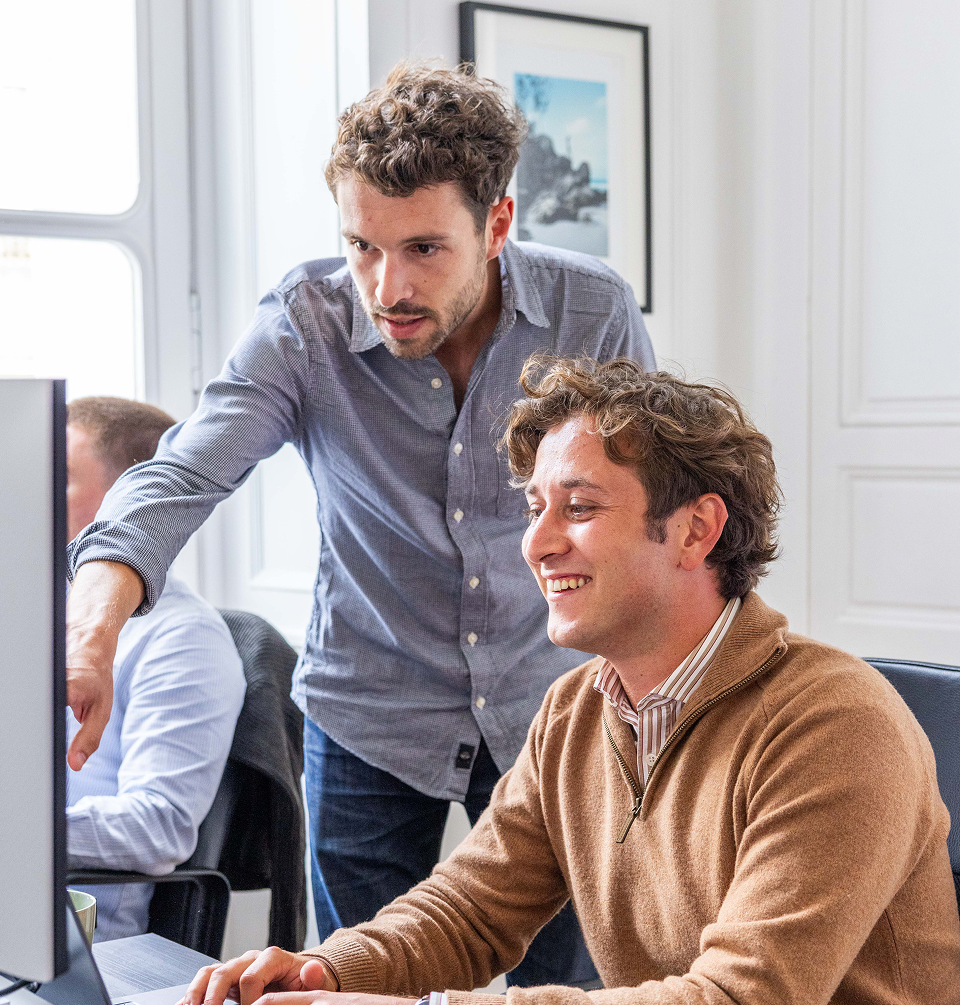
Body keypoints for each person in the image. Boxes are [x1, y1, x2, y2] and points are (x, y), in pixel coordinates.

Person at [64, 63, 654, 983]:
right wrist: (94, 623)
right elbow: (184, 470)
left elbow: (645, 503)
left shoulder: (592, 310)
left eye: (424, 248)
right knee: (351, 985)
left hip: (556, 704)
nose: (388, 287)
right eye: (362, 247)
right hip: (370, 716)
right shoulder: (306, 323)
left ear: (497, 223)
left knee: (572, 987)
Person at [183, 356, 960, 1005]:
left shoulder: (837, 723)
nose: (536, 543)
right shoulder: (576, 708)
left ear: (695, 530)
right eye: (535, 508)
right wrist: (323, 970)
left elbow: (740, 997)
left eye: (579, 507)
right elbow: (468, 911)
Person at [65, 397, 246, 941]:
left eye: (62, 476)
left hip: (79, 939)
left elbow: (157, 826)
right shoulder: (38, 612)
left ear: (130, 501)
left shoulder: (183, 636)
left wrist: (19, 832)